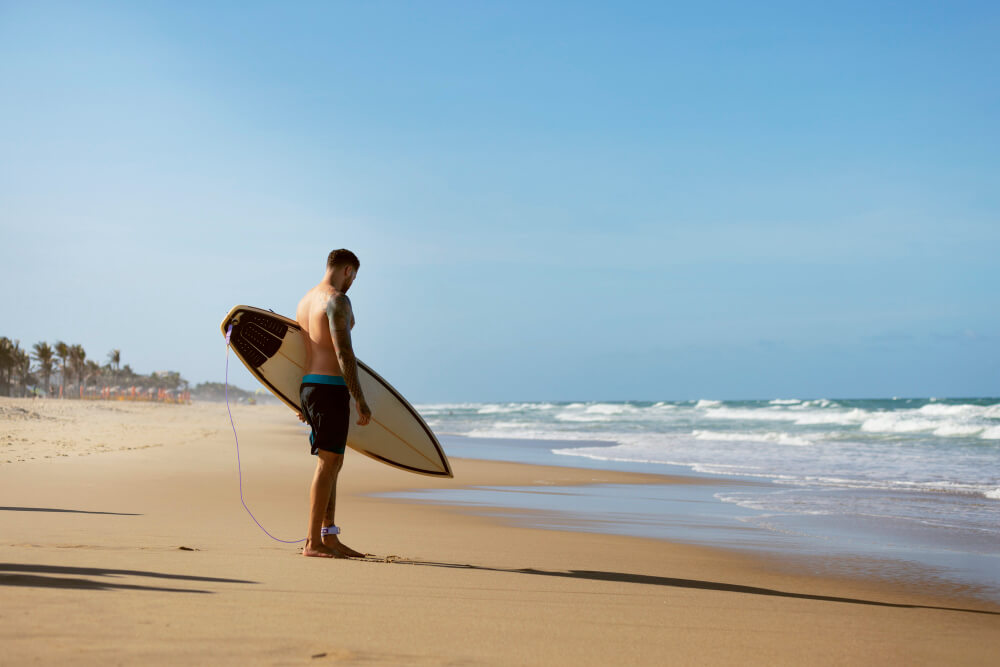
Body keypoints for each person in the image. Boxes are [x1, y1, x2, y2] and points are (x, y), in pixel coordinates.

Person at [296, 249, 372, 558]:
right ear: (348, 271)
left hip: (311, 386)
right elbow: (344, 353)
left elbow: (300, 351)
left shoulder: (305, 300)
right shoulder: (337, 300)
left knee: (334, 462)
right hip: (330, 389)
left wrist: (300, 398)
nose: (352, 282)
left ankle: (328, 535)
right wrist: (359, 397)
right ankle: (313, 541)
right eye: (353, 277)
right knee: (328, 464)